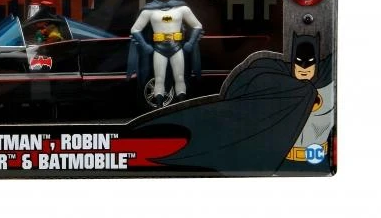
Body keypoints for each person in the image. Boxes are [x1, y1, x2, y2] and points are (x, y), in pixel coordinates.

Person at [131, 33, 334, 173]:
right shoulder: (276, 80)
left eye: (310, 63)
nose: (304, 68)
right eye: (299, 63)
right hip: (281, 159)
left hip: (313, 161)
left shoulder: (326, 84)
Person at [128, 0, 203, 107]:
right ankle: (159, 109)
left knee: (180, 78)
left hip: (176, 47)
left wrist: (190, 43)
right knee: (159, 79)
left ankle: (182, 108)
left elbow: (198, 26)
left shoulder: (181, 8)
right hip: (159, 48)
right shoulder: (149, 9)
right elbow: (135, 29)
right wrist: (145, 46)